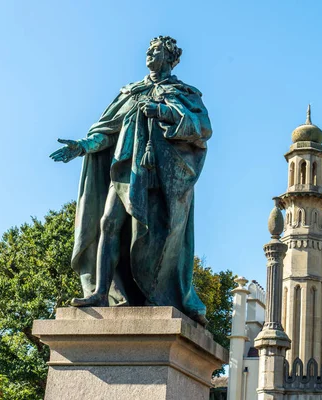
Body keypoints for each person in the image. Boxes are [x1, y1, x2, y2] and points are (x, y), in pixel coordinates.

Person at [50, 36, 212, 324]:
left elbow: (201, 128)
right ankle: (101, 292)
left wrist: (162, 111)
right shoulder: (131, 92)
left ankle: (157, 294)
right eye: (149, 50)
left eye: (157, 51)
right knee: (108, 223)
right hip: (125, 171)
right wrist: (82, 146)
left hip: (159, 178)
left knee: (154, 236)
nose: (150, 54)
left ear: (171, 58)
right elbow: (107, 132)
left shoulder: (183, 93)